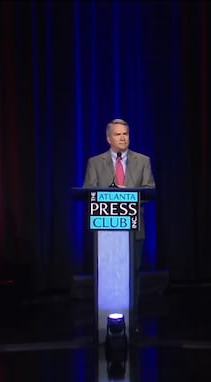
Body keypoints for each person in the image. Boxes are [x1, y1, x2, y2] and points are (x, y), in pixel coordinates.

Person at [83, 118, 156, 334]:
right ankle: (104, 321)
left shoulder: (143, 161)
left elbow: (149, 191)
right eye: (118, 134)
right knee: (106, 274)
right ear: (108, 138)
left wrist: (129, 196)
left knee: (133, 273)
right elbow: (89, 192)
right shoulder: (95, 163)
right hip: (106, 231)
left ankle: (132, 320)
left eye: (125, 134)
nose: (123, 138)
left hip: (134, 229)